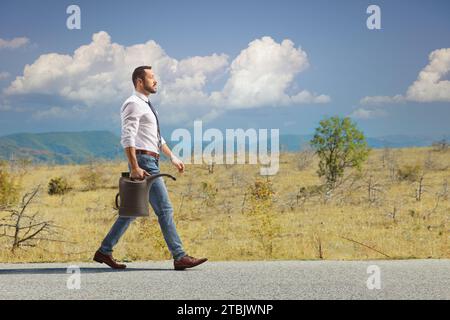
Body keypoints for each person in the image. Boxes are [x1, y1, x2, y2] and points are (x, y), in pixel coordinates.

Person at [93, 66, 207, 270]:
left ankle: (104, 251)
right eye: (151, 77)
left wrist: (171, 156)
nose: (156, 81)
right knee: (165, 209)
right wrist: (135, 166)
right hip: (143, 162)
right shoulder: (133, 104)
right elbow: (127, 137)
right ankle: (180, 256)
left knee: (131, 211)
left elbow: (156, 137)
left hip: (150, 159)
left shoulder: (146, 105)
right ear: (139, 81)